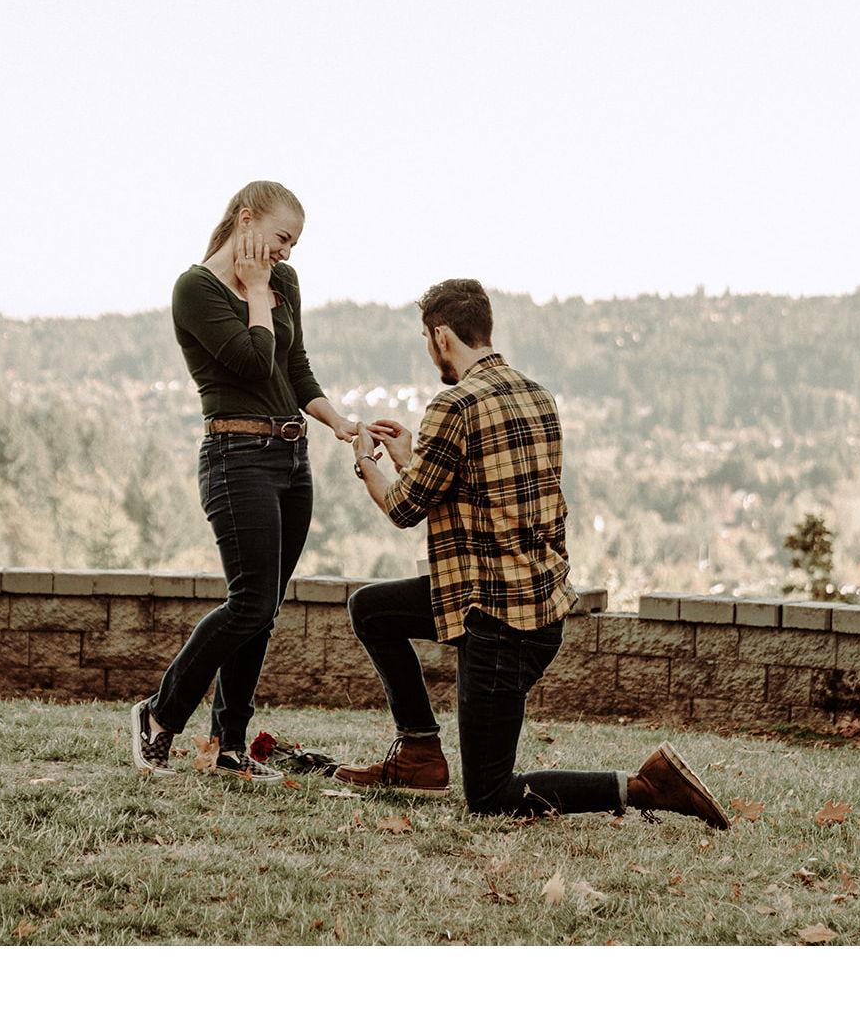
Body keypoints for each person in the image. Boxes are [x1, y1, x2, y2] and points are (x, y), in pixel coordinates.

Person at [339, 278, 729, 827]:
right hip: (520, 602)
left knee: (490, 794)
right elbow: (477, 492)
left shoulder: (455, 404)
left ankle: (645, 785)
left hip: (498, 624)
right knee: (372, 609)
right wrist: (413, 456)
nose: (430, 351)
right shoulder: (536, 396)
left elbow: (405, 508)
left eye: (427, 340)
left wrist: (367, 462)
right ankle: (419, 751)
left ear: (442, 336)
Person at [129, 181, 361, 781]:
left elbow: (293, 367)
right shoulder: (196, 289)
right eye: (282, 238)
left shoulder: (284, 283)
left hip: (291, 457)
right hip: (236, 456)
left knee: (265, 609)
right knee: (250, 602)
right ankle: (159, 714)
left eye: (294, 244)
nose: (286, 253)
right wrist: (257, 289)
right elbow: (254, 363)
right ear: (247, 219)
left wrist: (339, 422)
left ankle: (228, 745)